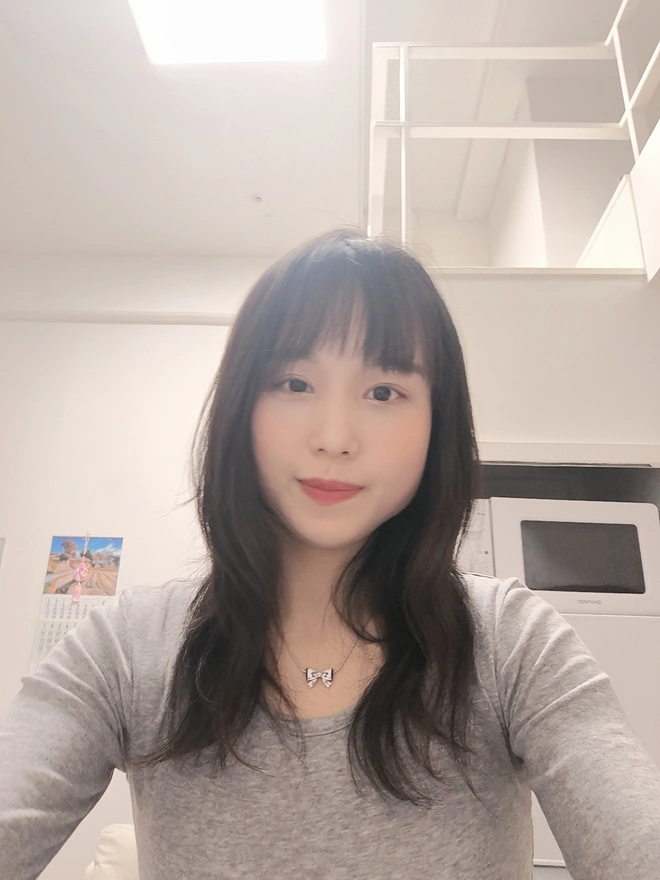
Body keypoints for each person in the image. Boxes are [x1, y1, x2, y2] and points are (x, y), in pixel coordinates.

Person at [1, 228, 659, 879]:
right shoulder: (123, 652)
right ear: (240, 405)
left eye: (384, 392)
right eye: (293, 382)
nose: (335, 437)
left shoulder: (513, 645)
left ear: (438, 422)